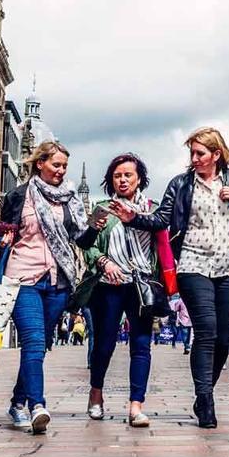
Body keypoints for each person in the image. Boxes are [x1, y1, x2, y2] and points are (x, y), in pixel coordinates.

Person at [112, 127, 229, 429]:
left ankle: (206, 389)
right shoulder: (180, 184)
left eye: (200, 153)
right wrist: (133, 217)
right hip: (193, 265)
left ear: (216, 155)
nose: (193, 159)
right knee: (205, 331)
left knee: (222, 339)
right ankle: (205, 398)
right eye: (191, 153)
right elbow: (161, 219)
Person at [0, 139, 97, 434]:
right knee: (34, 342)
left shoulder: (70, 200)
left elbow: (82, 240)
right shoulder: (19, 196)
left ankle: (17, 403)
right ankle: (37, 405)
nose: (61, 170)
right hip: (23, 277)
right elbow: (3, 232)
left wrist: (94, 227)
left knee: (39, 347)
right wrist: (3, 238)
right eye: (56, 164)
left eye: (64, 166)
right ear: (40, 164)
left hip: (58, 282)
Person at [75, 153, 160, 428]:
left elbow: (164, 246)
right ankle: (96, 393)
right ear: (111, 180)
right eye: (117, 176)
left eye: (128, 175)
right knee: (104, 343)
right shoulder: (103, 208)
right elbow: (86, 244)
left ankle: (136, 406)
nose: (122, 180)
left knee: (141, 345)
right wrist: (103, 261)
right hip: (108, 285)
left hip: (140, 285)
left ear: (139, 179)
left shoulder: (152, 209)